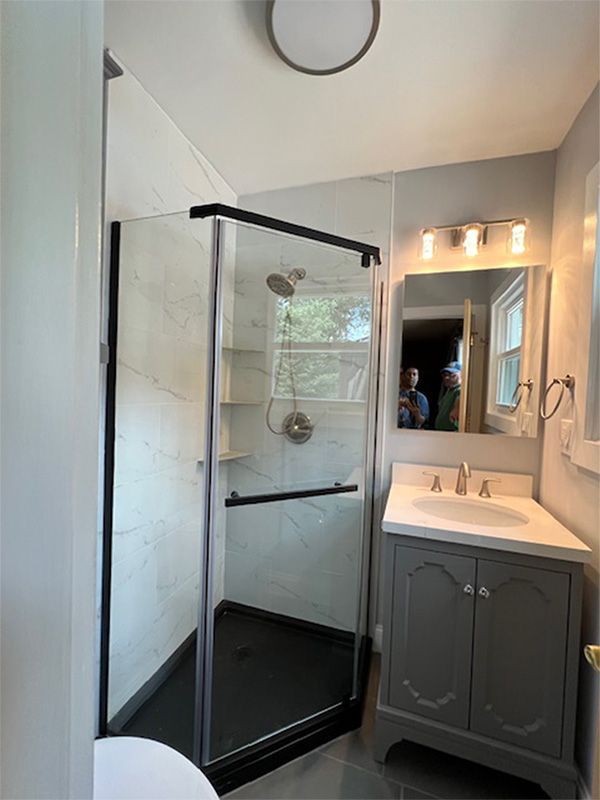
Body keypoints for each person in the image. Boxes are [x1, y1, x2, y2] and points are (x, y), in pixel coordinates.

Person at [435, 361, 461, 431]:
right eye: (445, 375)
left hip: (450, 432)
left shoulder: (459, 390)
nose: (446, 378)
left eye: (451, 374)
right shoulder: (449, 391)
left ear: (460, 374)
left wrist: (457, 406)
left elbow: (460, 398)